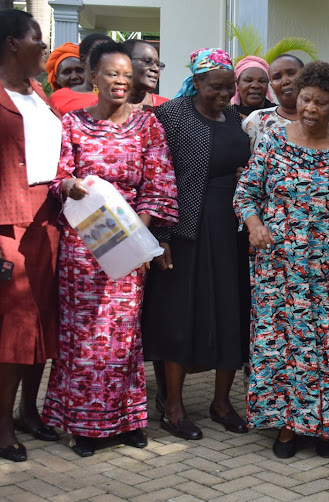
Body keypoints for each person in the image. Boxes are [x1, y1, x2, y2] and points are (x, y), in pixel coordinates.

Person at [234, 61, 329, 460]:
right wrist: (254, 225)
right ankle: (286, 427)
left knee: (328, 346)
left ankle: (326, 425)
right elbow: (245, 194)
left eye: (322, 102)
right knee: (284, 347)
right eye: (305, 99)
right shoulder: (272, 141)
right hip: (279, 268)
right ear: (295, 97)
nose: (311, 108)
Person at [41, 42, 178, 458]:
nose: (120, 81)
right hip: (83, 242)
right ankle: (83, 424)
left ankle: (127, 420)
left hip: (129, 239)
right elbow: (57, 176)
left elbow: (160, 184)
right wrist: (68, 185)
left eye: (125, 75)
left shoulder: (148, 126)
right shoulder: (72, 124)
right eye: (111, 74)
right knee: (84, 335)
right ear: (92, 76)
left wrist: (137, 234)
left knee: (121, 335)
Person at [141, 48, 251, 442]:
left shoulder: (236, 120)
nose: (224, 94)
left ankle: (221, 403)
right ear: (197, 81)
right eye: (215, 87)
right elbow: (159, 177)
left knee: (230, 312)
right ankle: (173, 406)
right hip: (186, 228)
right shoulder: (171, 115)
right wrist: (162, 236)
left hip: (232, 230)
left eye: (229, 87)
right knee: (179, 316)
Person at [0, 9, 62, 463]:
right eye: (37, 39)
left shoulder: (40, 93)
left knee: (41, 319)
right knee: (14, 325)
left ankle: (28, 410)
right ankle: (1, 421)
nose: (44, 47)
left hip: (48, 220)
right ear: (10, 44)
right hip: (7, 224)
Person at [243, 54, 329, 151]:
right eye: (277, 77)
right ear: (272, 87)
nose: (285, 81)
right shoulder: (256, 120)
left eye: (291, 73)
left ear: (305, 77)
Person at [48, 33, 112, 115]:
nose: (74, 77)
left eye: (79, 70)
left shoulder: (116, 95)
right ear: (57, 78)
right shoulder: (56, 99)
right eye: (66, 72)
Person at [121, 39, 169, 109]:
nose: (156, 69)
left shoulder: (166, 108)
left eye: (158, 64)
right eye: (147, 61)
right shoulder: (103, 107)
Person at [231, 55, 273, 119]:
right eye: (248, 81)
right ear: (237, 84)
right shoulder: (228, 117)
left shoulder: (279, 115)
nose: (255, 86)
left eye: (261, 81)